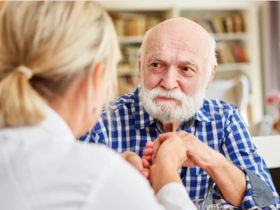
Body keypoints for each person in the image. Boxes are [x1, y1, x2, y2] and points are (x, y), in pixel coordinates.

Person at [0, 2, 197, 210]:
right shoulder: (98, 176)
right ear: (95, 77)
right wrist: (166, 170)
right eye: (156, 65)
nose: (168, 82)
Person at [80, 18, 280, 209]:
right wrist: (109, 181)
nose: (168, 83)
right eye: (156, 65)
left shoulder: (225, 119)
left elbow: (268, 205)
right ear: (140, 65)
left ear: (209, 75)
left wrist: (212, 160)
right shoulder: (101, 121)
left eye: (186, 69)